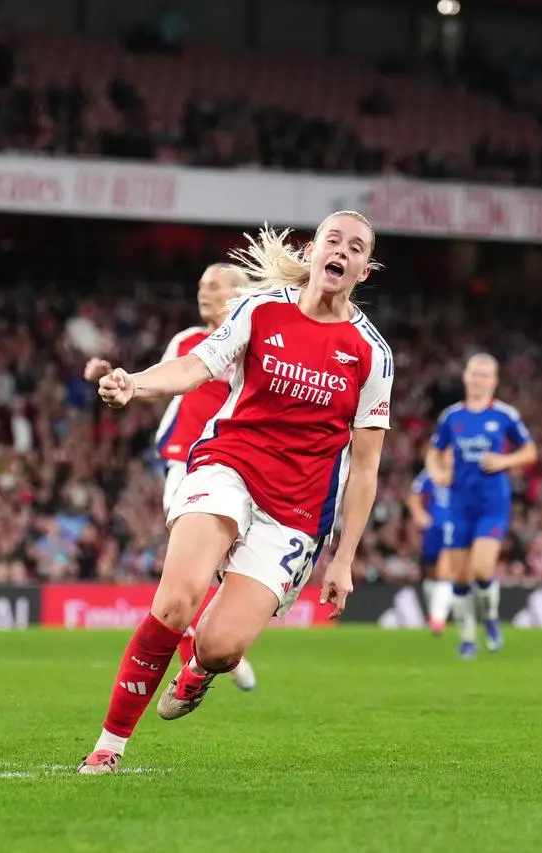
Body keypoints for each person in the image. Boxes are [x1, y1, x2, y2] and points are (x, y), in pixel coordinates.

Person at [78, 211, 393, 775]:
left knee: (223, 647)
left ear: (363, 270)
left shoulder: (371, 353)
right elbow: (197, 366)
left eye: (355, 247)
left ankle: (200, 666)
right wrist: (135, 383)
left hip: (297, 511)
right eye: (333, 239)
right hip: (229, 466)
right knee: (176, 601)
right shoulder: (261, 309)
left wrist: (345, 559)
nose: (341, 251)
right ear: (315, 250)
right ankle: (110, 744)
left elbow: (366, 467)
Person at [83, 263, 257, 693]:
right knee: (189, 569)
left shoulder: (256, 346)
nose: (203, 292)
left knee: (223, 566)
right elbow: (157, 388)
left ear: (237, 293)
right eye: (199, 285)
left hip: (237, 467)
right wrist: (115, 379)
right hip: (186, 463)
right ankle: (193, 665)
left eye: (213, 285)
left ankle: (214, 640)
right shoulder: (187, 342)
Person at [425, 354, 536, 659]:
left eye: (485, 375)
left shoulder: (504, 415)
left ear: (494, 381)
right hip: (459, 506)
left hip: (492, 505)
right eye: (475, 373)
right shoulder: (452, 417)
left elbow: (530, 451)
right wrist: (437, 474)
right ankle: (468, 638)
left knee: (482, 569)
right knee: (460, 578)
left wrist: (505, 460)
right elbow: (434, 453)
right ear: (466, 377)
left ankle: (490, 617)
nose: (479, 379)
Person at [407, 462, 453, 635]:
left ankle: (438, 619)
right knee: (431, 572)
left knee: (444, 571)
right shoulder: (430, 473)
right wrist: (420, 515)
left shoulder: (463, 470)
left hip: (453, 527)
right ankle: (434, 614)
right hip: (433, 529)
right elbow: (414, 495)